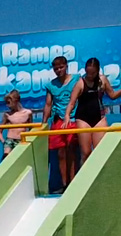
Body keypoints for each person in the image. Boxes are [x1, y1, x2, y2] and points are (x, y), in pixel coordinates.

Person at [64, 58, 121, 165]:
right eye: (88, 73)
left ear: (98, 70)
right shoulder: (80, 83)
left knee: (100, 151)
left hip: (99, 118)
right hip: (83, 119)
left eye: (93, 73)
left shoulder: (103, 80)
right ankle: (85, 173)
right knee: (86, 153)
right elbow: (72, 102)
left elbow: (112, 95)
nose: (90, 75)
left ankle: (99, 174)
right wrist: (67, 115)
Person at [44, 56, 80, 187]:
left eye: (61, 67)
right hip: (58, 120)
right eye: (56, 68)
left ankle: (73, 182)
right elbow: (48, 104)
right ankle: (64, 184)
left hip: (74, 118)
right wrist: (43, 123)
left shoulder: (76, 79)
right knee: (60, 153)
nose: (59, 70)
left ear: (66, 66)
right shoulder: (51, 85)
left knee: (71, 150)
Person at [1, 90, 34, 159]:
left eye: (9, 102)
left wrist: (28, 140)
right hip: (10, 139)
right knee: (7, 157)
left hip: (21, 140)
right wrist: (4, 141)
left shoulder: (28, 113)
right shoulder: (7, 114)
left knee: (19, 160)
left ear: (15, 101)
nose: (7, 105)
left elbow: (31, 129)